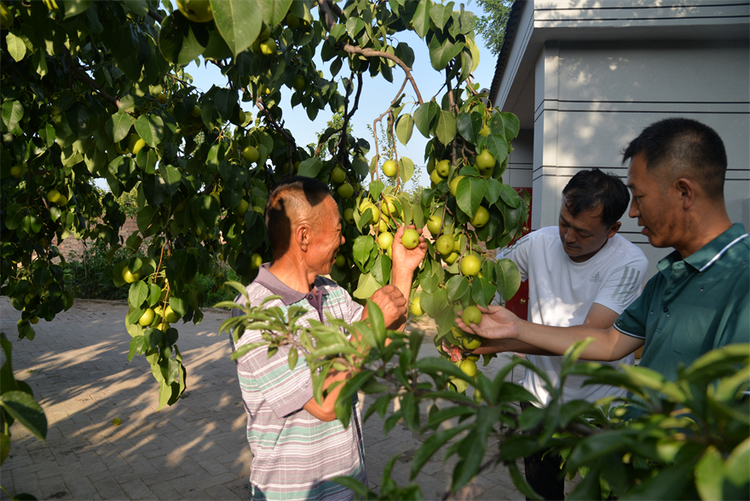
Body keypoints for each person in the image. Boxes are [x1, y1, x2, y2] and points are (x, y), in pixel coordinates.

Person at [459, 117, 749, 385]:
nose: (634, 211)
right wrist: (513, 330)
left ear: (684, 192)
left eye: (640, 196)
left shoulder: (742, 280)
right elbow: (610, 342)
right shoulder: (666, 279)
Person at [230, 177, 427, 501]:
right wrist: (365, 325)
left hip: (347, 485)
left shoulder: (331, 292)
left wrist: (402, 271)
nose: (343, 238)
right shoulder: (255, 312)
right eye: (337, 230)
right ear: (304, 236)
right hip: (291, 493)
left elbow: (383, 344)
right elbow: (325, 403)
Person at [463, 169, 649, 500]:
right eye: (564, 222)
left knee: (604, 490)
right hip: (540, 399)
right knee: (542, 491)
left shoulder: (629, 262)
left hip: (600, 405)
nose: (568, 237)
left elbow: (593, 337)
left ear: (612, 230)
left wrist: (504, 338)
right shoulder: (538, 242)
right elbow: (491, 278)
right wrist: (476, 315)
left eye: (583, 232)